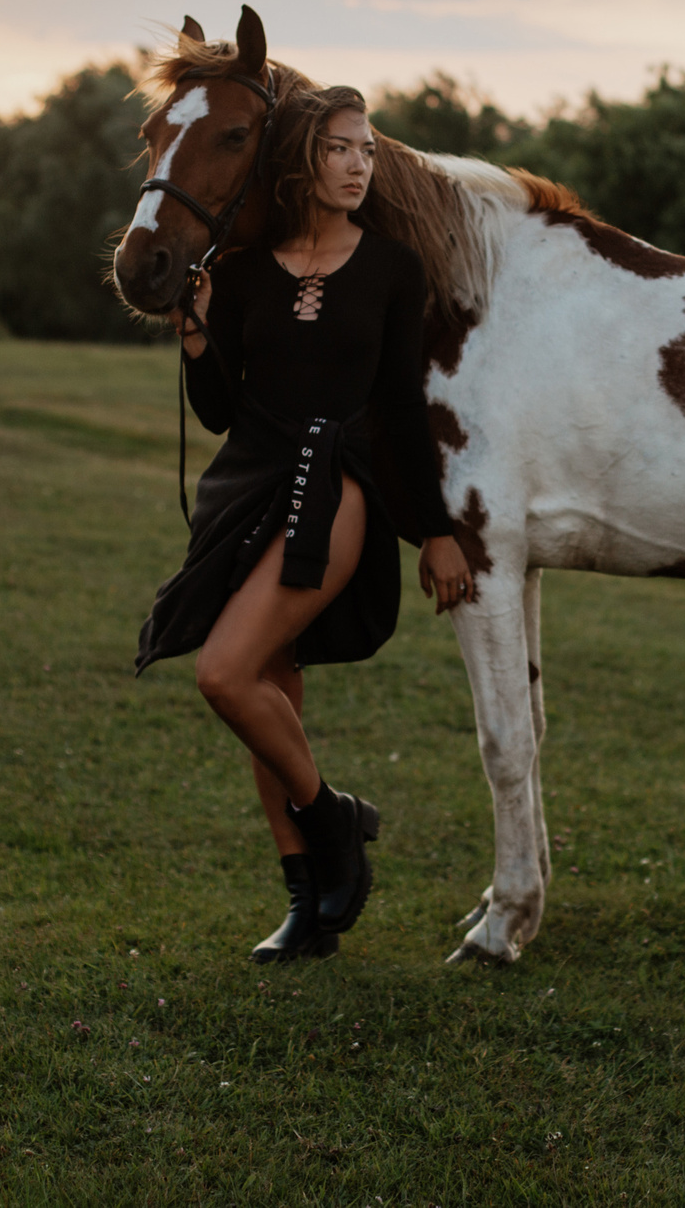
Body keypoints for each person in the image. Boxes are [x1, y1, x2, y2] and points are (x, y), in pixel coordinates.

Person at [134, 85, 474, 962]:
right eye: (340, 149)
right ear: (302, 161)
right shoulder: (244, 272)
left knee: (224, 674)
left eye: (366, 149)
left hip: (336, 486)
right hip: (246, 481)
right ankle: (307, 904)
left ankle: (332, 819)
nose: (360, 165)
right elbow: (219, 411)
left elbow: (401, 407)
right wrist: (199, 340)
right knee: (270, 689)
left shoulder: (394, 268)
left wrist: (434, 529)